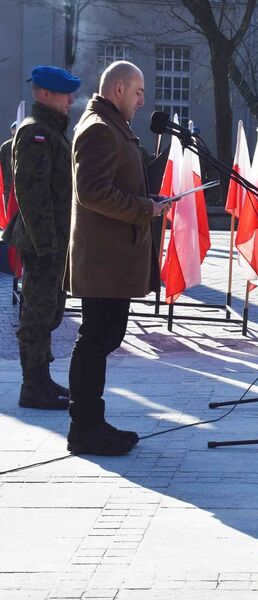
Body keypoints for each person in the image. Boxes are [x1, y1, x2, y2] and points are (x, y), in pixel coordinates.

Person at [66, 61, 169, 455]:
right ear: (119, 89)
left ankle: (92, 422)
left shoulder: (112, 126)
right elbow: (92, 192)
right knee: (96, 339)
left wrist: (149, 201)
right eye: (139, 92)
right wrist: (144, 207)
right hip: (102, 260)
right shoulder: (99, 129)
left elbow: (117, 183)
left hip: (112, 257)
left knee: (104, 336)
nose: (143, 101)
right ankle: (84, 429)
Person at [1, 67, 80, 410]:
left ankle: (42, 378)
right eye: (65, 93)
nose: (70, 99)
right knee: (36, 314)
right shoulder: (36, 132)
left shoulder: (51, 130)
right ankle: (33, 386)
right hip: (42, 242)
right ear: (45, 93)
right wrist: (47, 244)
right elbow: (32, 194)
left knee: (48, 311)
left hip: (53, 240)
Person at [1, 121, 16, 208]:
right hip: (8, 186)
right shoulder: (6, 147)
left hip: (22, 184)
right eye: (14, 129)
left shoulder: (26, 144)